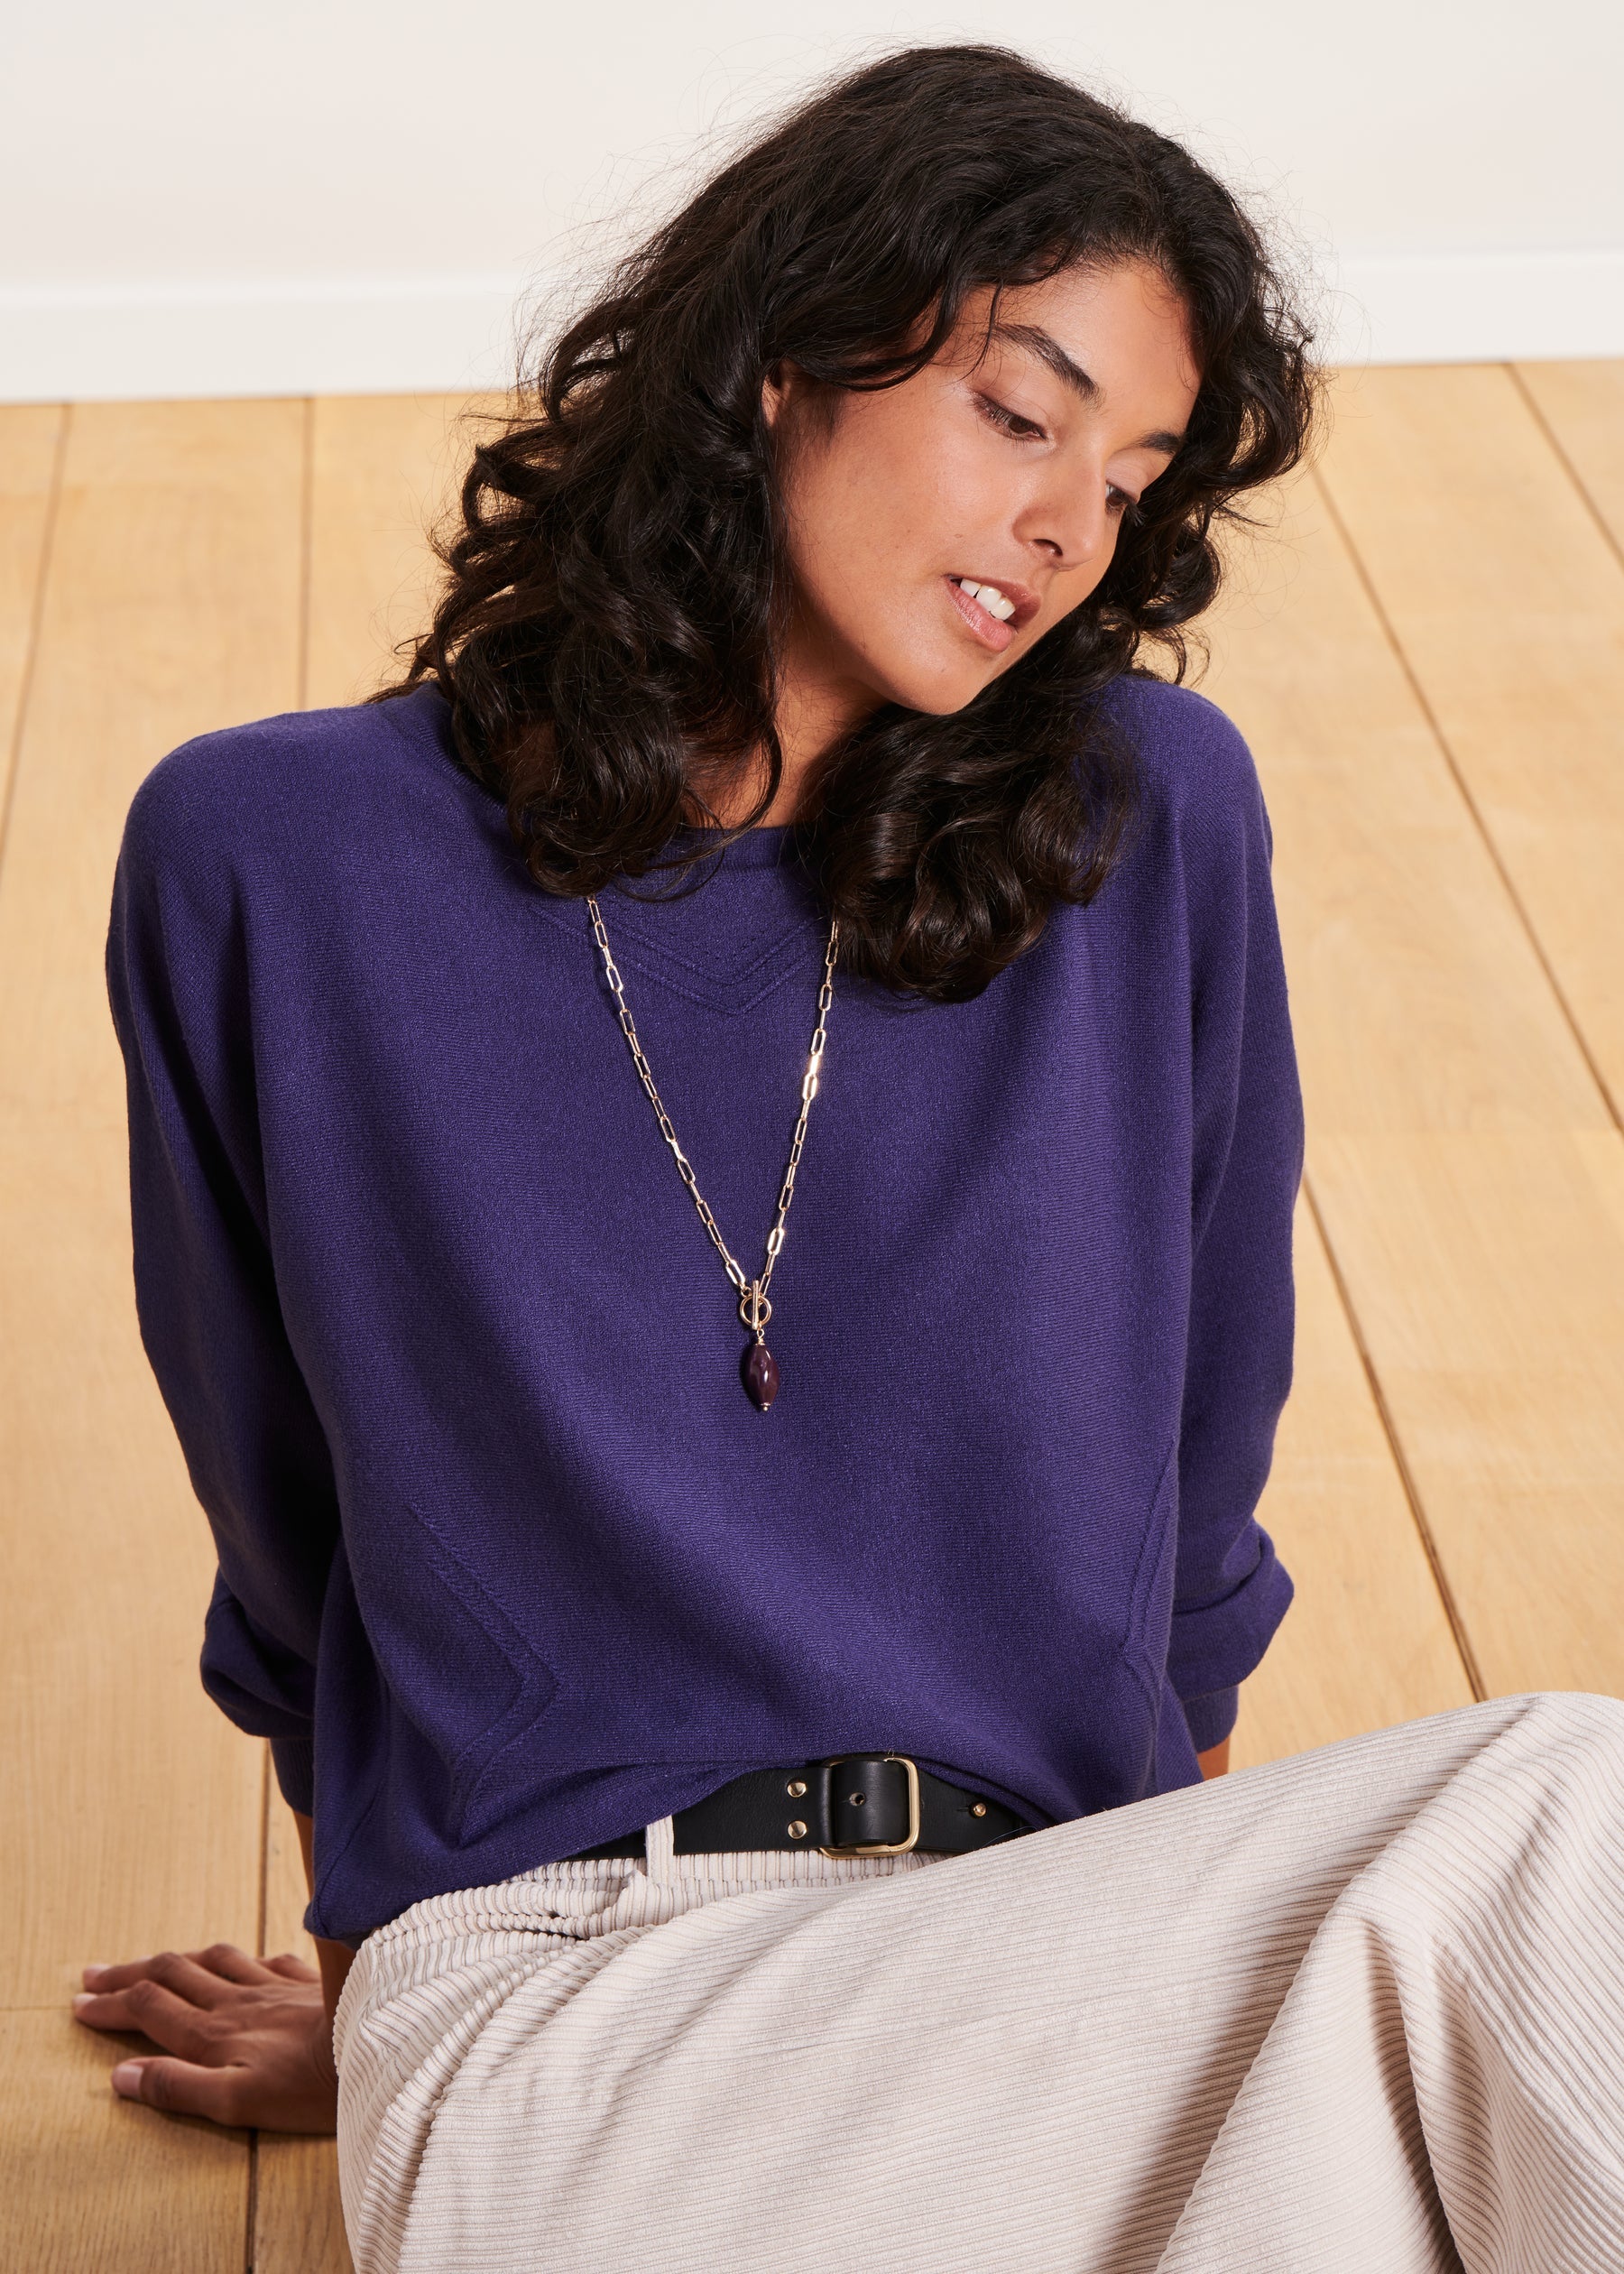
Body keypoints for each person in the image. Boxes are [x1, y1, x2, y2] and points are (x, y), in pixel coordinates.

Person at [78, 42, 1624, 2274]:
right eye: (1020, 414)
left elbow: (1194, 1517)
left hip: (1049, 1976)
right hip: (569, 2018)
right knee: (1570, 1823)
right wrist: (378, 2006)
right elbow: (295, 1541)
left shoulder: (1140, 825)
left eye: (1132, 478)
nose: (1069, 527)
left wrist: (1175, 1970)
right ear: (785, 355)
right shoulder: (272, 859)